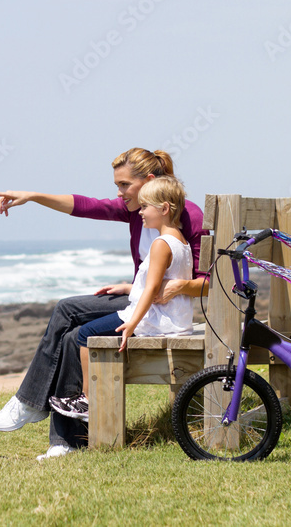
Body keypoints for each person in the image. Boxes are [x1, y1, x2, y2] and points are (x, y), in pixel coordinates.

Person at [0, 148, 208, 460]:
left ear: (150, 182)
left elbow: (209, 281)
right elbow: (85, 206)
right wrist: (33, 196)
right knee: (67, 314)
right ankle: (55, 432)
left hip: (160, 311)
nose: (119, 193)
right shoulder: (135, 210)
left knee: (71, 327)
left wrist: (180, 286)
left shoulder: (190, 217)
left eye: (124, 185)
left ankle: (43, 418)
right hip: (141, 297)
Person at [48, 176, 193, 423]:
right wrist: (128, 288)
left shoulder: (160, 244)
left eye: (146, 207)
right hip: (171, 319)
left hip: (154, 321)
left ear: (165, 209)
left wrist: (132, 324)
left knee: (84, 334)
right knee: (88, 331)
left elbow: (152, 289)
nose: (142, 213)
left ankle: (87, 399)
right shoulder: (181, 240)